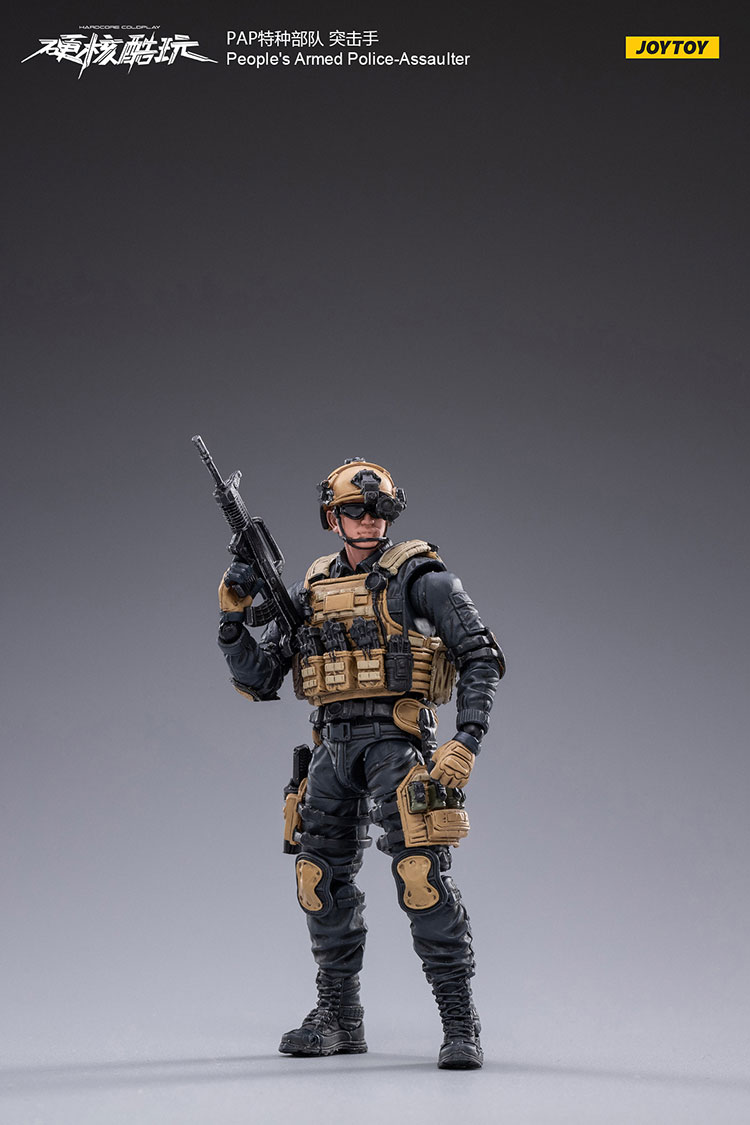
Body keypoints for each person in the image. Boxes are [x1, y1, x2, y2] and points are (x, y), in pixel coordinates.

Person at [215, 458, 505, 1069]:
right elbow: (260, 679)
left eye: (379, 511)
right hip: (331, 748)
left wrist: (466, 740)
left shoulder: (420, 578)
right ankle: (339, 1018)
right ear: (333, 518)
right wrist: (233, 618)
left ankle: (459, 1022)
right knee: (317, 880)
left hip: (396, 746)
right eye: (355, 510)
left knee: (421, 876)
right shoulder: (313, 590)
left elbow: (481, 656)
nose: (369, 520)